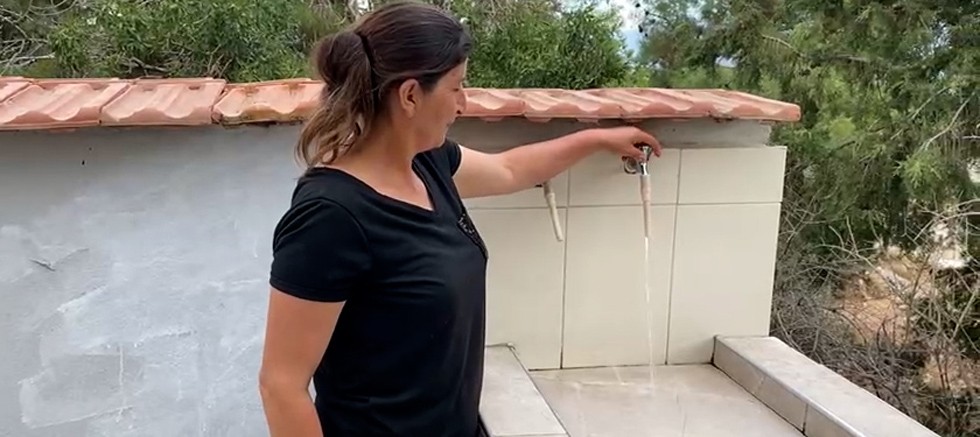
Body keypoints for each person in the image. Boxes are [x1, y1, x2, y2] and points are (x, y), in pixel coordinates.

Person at [257, 1, 662, 436]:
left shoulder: (428, 165)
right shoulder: (331, 216)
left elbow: (510, 169)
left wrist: (597, 139)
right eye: (456, 87)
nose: (464, 103)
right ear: (410, 95)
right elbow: (281, 386)